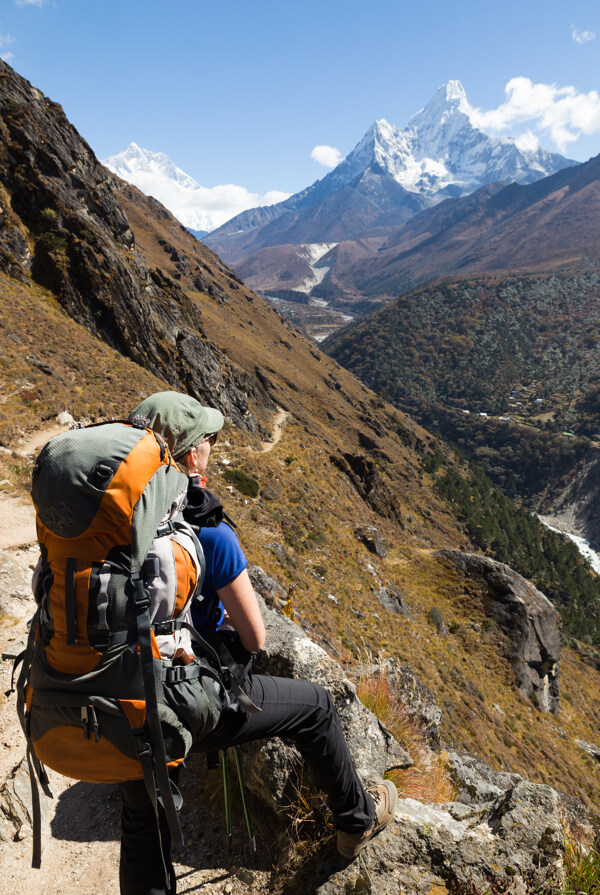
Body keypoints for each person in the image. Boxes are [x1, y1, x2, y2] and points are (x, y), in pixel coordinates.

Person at [120, 391, 397, 895]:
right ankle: (357, 819)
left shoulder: (111, 521)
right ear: (189, 455)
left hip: (114, 697)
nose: (211, 447)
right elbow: (255, 635)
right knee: (315, 708)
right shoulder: (210, 532)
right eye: (206, 439)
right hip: (181, 702)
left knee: (143, 828)